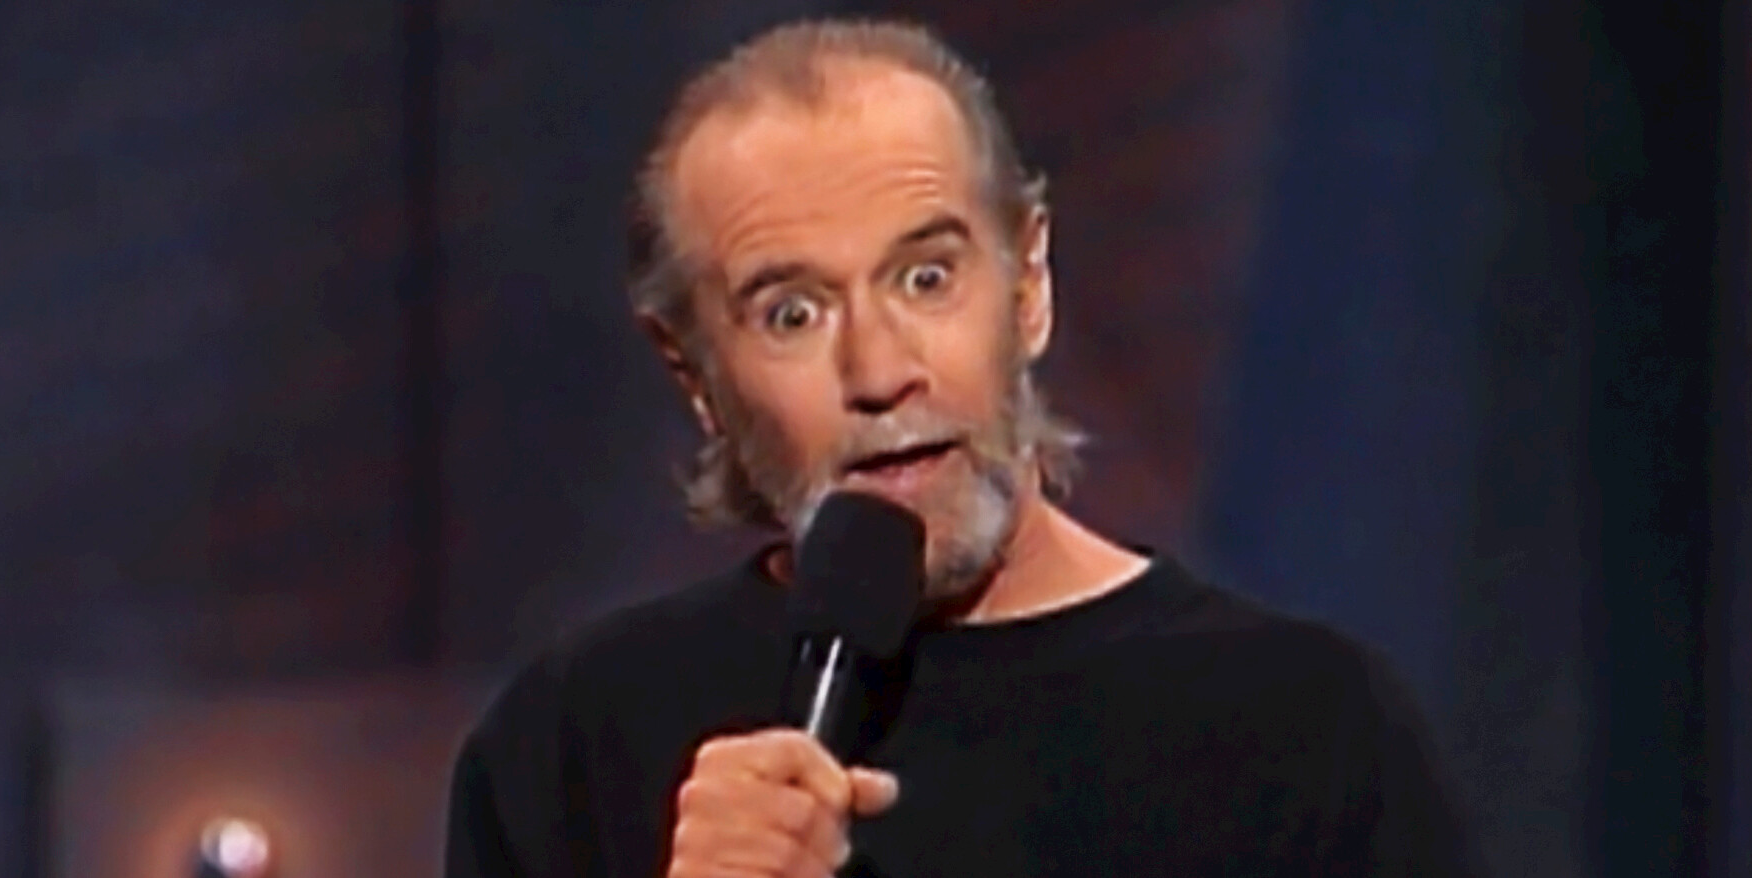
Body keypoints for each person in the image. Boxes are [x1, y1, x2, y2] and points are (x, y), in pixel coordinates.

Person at [445, 16, 1479, 878]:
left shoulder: (1308, 727)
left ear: (1029, 287)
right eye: (793, 312)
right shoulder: (571, 744)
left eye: (926, 278)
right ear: (697, 378)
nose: (879, 370)